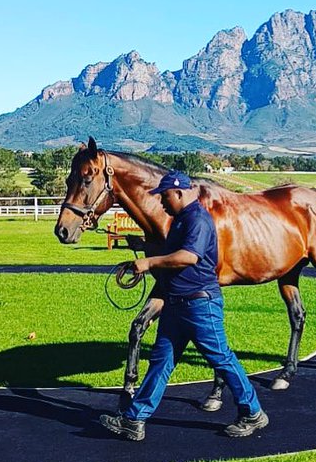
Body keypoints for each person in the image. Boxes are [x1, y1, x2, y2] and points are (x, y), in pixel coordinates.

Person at [99, 170, 268, 441]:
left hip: (200, 305)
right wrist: (142, 246)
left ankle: (253, 413)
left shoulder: (197, 219)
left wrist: (149, 263)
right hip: (176, 305)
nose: (162, 202)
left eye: (165, 197)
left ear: (179, 193)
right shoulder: (179, 220)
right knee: (160, 362)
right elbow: (172, 251)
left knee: (221, 358)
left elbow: (189, 256)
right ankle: (134, 419)